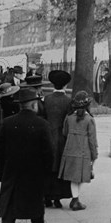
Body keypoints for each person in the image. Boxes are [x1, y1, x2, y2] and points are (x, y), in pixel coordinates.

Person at [0, 88, 53, 223]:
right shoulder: (42, 124)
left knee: (8, 207)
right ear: (34, 105)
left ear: (20, 106)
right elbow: (48, 152)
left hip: (12, 171)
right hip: (34, 172)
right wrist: (46, 171)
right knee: (36, 204)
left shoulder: (7, 122)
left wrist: (5, 164)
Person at [58, 91, 98, 211]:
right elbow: (92, 139)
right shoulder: (89, 119)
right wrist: (94, 154)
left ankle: (75, 199)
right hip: (84, 151)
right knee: (80, 176)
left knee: (73, 176)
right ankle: (75, 201)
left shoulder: (69, 117)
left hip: (70, 149)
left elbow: (64, 133)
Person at [44, 70, 73, 208]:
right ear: (65, 85)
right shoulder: (68, 101)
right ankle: (57, 198)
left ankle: (46, 197)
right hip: (62, 138)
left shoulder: (47, 99)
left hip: (47, 136)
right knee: (60, 166)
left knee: (48, 166)